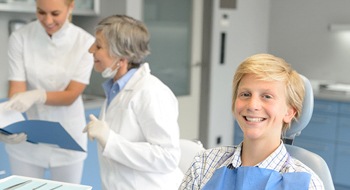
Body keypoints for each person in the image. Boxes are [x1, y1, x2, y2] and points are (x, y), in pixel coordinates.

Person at [179, 53, 325, 190]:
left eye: (267, 96)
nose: (252, 105)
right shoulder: (204, 164)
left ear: (289, 112)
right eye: (245, 94)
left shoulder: (306, 184)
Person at [83, 15, 183, 189]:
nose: (91, 50)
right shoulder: (116, 89)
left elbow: (168, 157)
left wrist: (110, 140)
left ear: (121, 58)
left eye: (98, 46)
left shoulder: (151, 92)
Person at [3, 0, 94, 184]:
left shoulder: (85, 42)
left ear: (70, 7)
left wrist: (38, 95)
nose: (48, 20)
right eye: (41, 12)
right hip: (26, 141)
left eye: (55, 13)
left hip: (68, 140)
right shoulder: (20, 37)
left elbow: (71, 95)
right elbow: (16, 91)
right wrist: (7, 126)